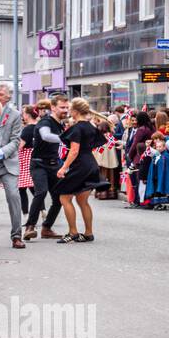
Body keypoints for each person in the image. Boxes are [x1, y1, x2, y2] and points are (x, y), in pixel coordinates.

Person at [55, 98, 104, 243]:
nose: (68, 111)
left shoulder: (77, 128)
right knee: (83, 200)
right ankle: (88, 233)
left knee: (64, 197)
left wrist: (63, 168)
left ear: (75, 112)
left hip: (81, 165)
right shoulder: (91, 126)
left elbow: (74, 151)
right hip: (90, 163)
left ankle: (73, 232)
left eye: (70, 108)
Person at [23, 95, 67, 241]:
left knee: (59, 197)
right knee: (41, 192)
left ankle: (46, 228)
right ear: (53, 108)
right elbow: (46, 136)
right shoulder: (45, 122)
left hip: (54, 163)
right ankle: (30, 226)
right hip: (39, 163)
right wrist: (67, 137)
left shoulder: (60, 123)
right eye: (62, 107)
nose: (65, 110)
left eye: (67, 107)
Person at [0, 83, 24, 249]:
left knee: (13, 196)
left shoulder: (15, 115)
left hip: (6, 162)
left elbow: (15, 141)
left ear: (7, 97)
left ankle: (17, 235)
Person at [16, 105, 36, 217]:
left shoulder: (27, 129)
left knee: (22, 188)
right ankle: (42, 210)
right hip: (35, 158)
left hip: (25, 160)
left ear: (27, 115)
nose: (22, 115)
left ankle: (25, 214)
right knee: (34, 188)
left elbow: (20, 146)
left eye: (23, 113)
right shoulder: (39, 127)